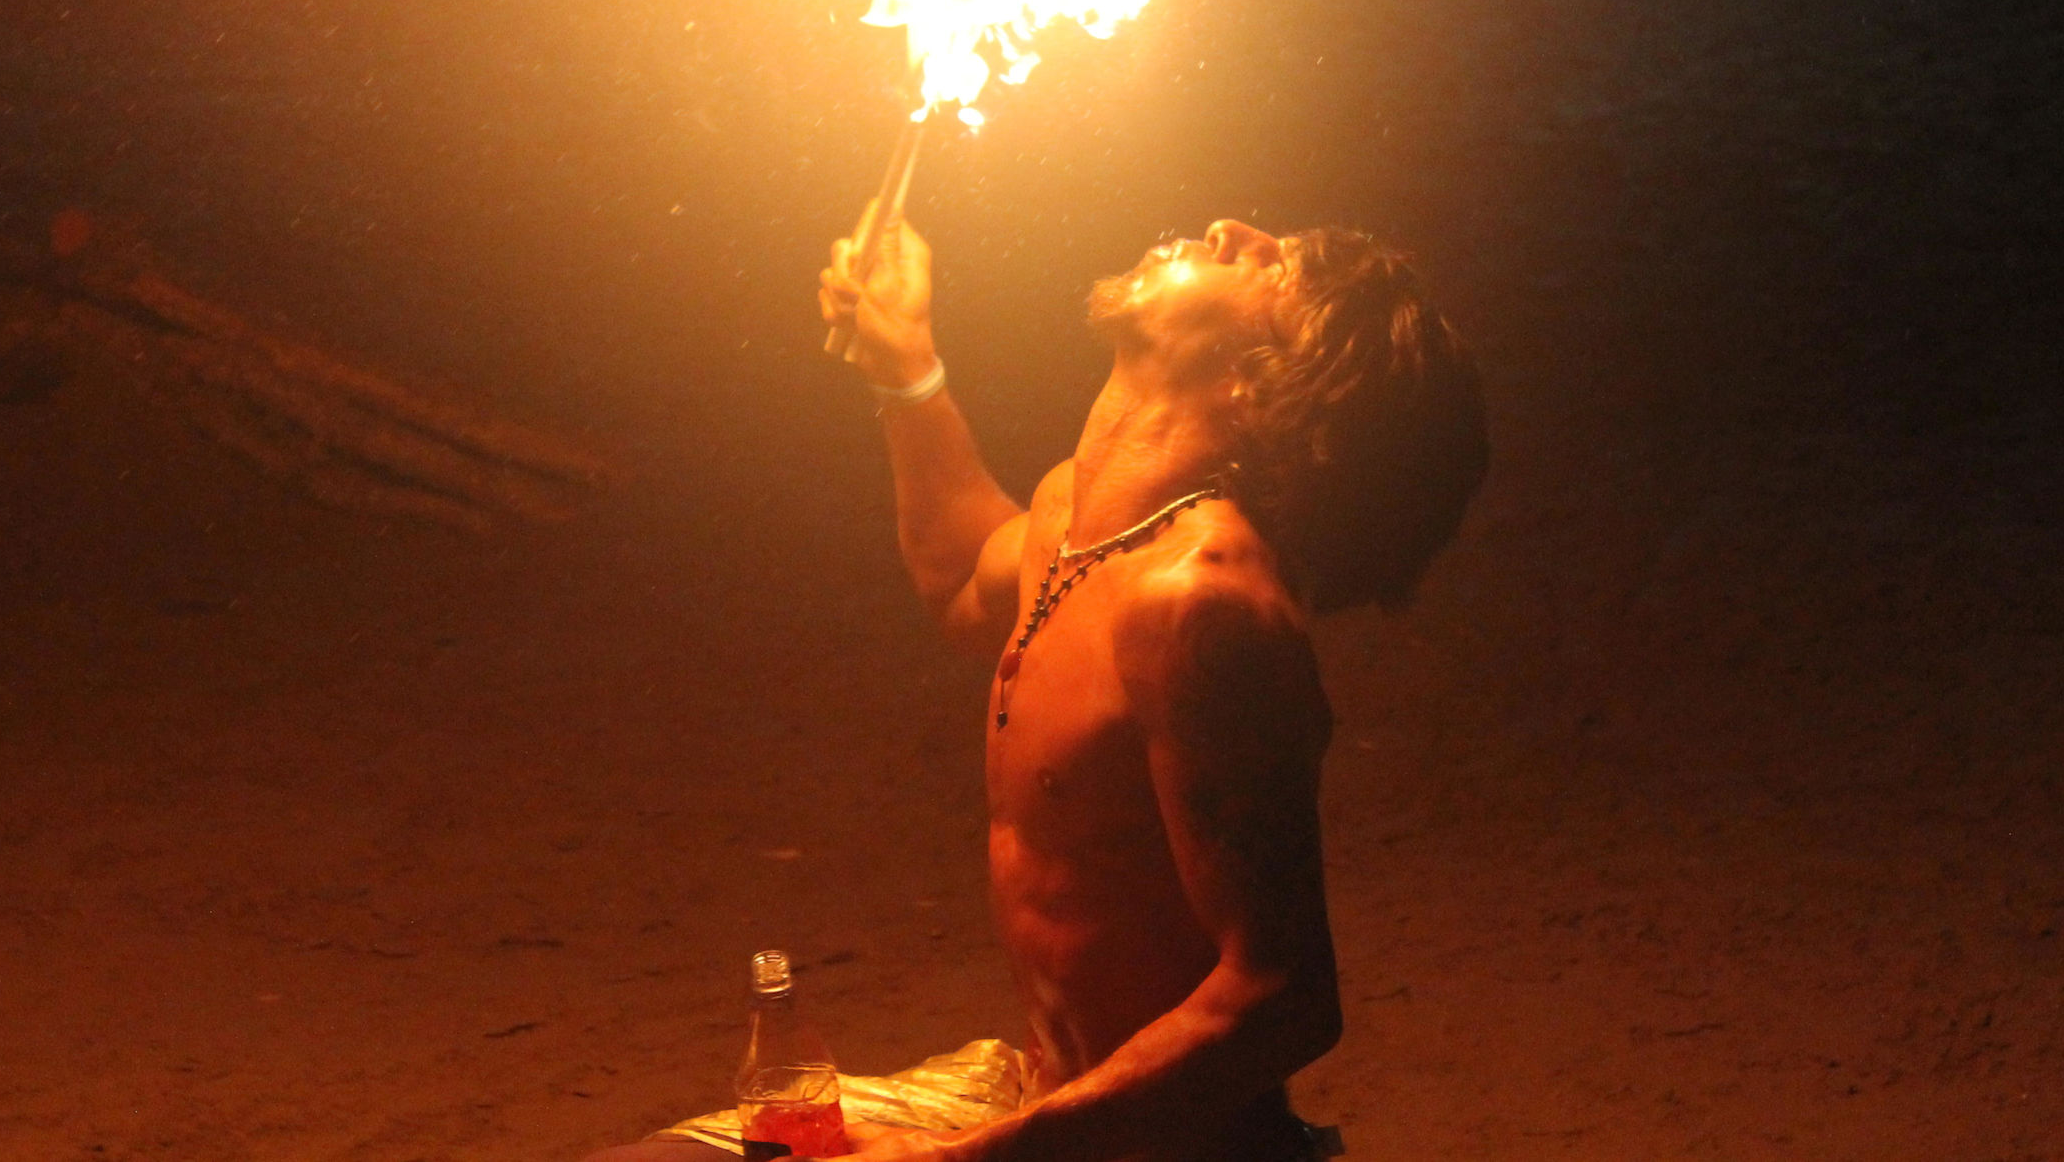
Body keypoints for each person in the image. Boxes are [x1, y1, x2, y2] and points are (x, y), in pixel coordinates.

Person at [593, 218, 1486, 1162]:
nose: (1231, 228)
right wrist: (905, 368)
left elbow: (1283, 997)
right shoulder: (1074, 517)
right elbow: (959, 578)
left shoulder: (1205, 610)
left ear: (1267, 375)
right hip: (1038, 1096)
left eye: (1273, 263)